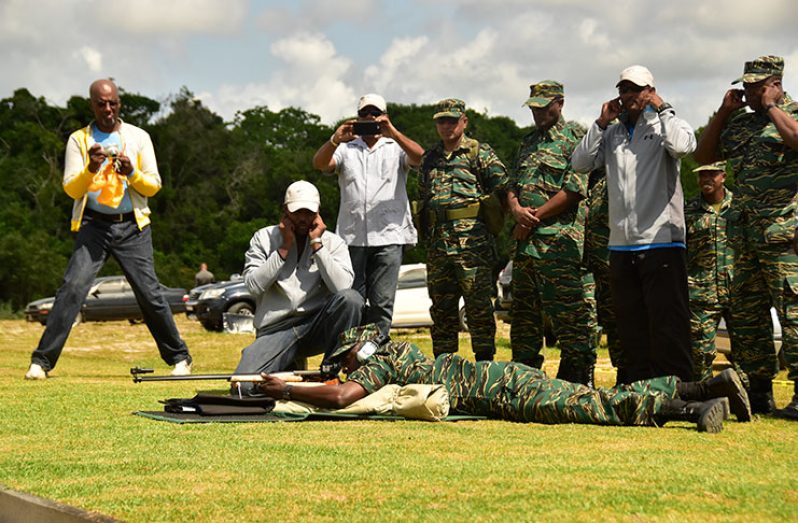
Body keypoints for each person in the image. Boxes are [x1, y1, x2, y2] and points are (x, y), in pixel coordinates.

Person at [256, 324, 753, 431]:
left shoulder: (383, 361)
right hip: (505, 378)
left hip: (507, 390)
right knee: (596, 394)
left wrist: (287, 389)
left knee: (594, 407)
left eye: (347, 357)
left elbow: (343, 396)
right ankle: (707, 386)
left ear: (360, 349)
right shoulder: (399, 352)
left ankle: (691, 409)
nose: (347, 366)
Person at [25, 79, 193, 380]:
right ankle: (41, 362)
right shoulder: (79, 139)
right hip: (93, 225)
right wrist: (91, 168)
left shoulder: (138, 137)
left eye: (112, 102)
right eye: (101, 103)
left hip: (132, 225)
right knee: (73, 289)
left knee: (149, 293)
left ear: (119, 103)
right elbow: (70, 189)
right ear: (92, 104)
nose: (107, 108)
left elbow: (153, 186)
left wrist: (131, 172)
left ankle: (180, 357)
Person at [571, 65, 696, 384]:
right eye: (623, 90)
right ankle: (638, 388)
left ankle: (677, 387)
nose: (628, 96)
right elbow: (580, 163)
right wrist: (600, 123)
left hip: (662, 242)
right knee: (630, 323)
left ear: (650, 91)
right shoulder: (611, 133)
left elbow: (683, 147)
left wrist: (663, 108)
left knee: (668, 321)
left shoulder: (666, 125)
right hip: (621, 245)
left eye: (635, 89)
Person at [693, 55, 798, 418]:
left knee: (794, 314)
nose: (749, 92)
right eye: (747, 85)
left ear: (776, 84)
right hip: (745, 237)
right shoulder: (739, 125)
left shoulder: (792, 114)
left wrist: (771, 107)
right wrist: (722, 114)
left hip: (785, 236)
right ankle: (759, 391)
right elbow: (703, 156)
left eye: (758, 85)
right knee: (750, 320)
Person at [231, 180, 363, 395]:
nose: (303, 218)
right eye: (297, 212)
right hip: (275, 329)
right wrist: (284, 248)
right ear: (285, 211)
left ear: (318, 212)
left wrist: (317, 245)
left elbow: (343, 288)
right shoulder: (263, 238)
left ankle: (330, 373)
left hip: (315, 324)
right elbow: (253, 286)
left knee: (352, 299)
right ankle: (293, 374)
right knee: (244, 387)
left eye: (309, 212)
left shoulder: (332, 242)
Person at [506, 80, 598, 385]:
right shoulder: (526, 143)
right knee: (524, 319)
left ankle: (576, 381)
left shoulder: (576, 138)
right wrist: (516, 209)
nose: (538, 113)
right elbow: (512, 186)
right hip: (525, 247)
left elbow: (574, 189)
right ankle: (525, 380)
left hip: (559, 245)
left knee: (569, 317)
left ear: (559, 103)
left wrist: (531, 218)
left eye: (544, 107)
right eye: (534, 107)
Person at [312, 93, 423, 336]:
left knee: (382, 303)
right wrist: (334, 139)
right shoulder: (346, 148)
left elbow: (419, 157)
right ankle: (351, 354)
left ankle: (377, 358)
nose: (370, 118)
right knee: (353, 300)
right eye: (365, 114)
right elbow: (320, 165)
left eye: (375, 114)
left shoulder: (395, 147)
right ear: (357, 117)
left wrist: (392, 132)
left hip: (389, 237)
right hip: (352, 238)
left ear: (385, 116)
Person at [417, 99, 507, 361]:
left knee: (478, 306)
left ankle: (484, 365)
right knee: (442, 309)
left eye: (452, 121)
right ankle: (445, 366)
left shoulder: (479, 153)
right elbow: (422, 198)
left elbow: (503, 188)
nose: (446, 126)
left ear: (464, 121)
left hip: (472, 247)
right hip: (438, 246)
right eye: (441, 121)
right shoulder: (429, 159)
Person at [684, 162, 737, 381]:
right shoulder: (688, 210)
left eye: (711, 174)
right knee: (699, 353)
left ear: (723, 176)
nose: (706, 178)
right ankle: (703, 395)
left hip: (738, 291)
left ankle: (751, 398)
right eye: (702, 174)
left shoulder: (740, 207)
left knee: (748, 351)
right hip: (700, 293)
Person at [583, 170, 624, 384]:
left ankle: (624, 374)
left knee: (616, 320)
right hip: (583, 264)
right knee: (585, 319)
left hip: (611, 265)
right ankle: (585, 373)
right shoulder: (581, 177)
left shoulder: (617, 176)